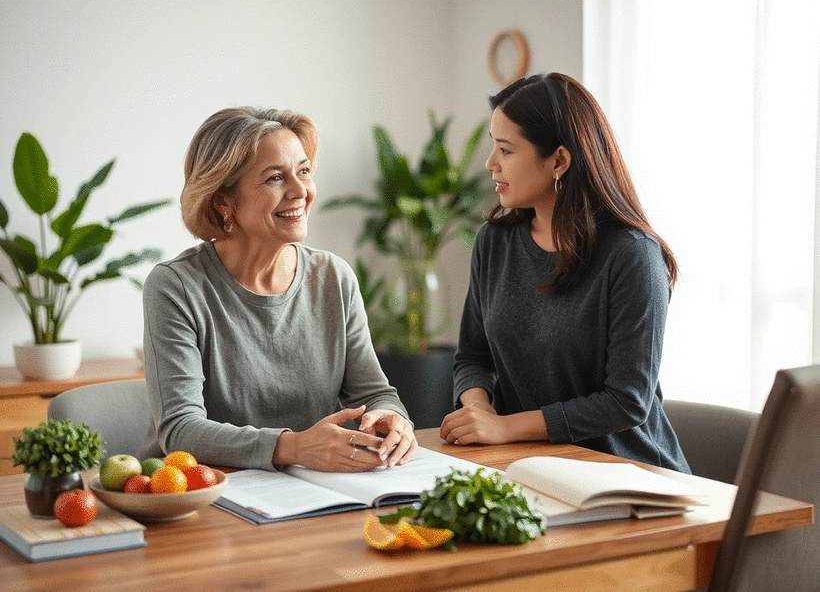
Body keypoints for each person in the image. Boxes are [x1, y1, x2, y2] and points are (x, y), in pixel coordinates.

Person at [140, 107, 417, 472]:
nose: (301, 191)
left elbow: (375, 393)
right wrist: (294, 447)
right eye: (275, 178)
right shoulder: (176, 287)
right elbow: (181, 430)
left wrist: (393, 419)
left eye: (303, 171)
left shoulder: (334, 277)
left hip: (309, 488)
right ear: (224, 201)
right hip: (203, 494)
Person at [438, 73, 689, 472]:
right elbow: (473, 355)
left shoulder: (633, 256)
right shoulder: (493, 242)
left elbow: (627, 400)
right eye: (493, 146)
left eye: (505, 149)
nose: (490, 163)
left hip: (629, 478)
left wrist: (504, 428)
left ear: (558, 160)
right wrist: (478, 411)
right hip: (529, 467)